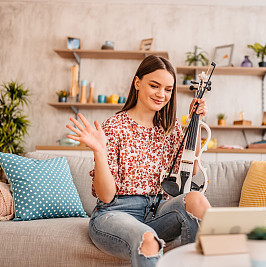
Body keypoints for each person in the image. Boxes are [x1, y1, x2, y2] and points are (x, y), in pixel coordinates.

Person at [66, 55, 211, 267]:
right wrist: (99, 151)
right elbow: (106, 196)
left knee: (196, 199)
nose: (161, 94)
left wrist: (196, 122)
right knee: (147, 239)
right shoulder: (115, 126)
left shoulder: (169, 130)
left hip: (158, 212)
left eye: (168, 89)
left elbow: (192, 168)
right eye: (154, 85)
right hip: (115, 214)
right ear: (137, 83)